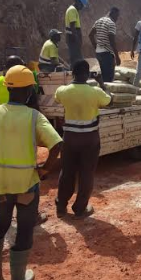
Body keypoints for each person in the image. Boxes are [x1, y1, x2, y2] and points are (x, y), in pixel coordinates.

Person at [0, 65, 62, 280]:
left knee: (0, 224)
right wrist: (45, 169)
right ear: (29, 91)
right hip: (26, 184)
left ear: (8, 88)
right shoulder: (34, 117)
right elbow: (57, 144)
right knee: (24, 229)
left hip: (2, 183)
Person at [55, 60, 112, 219]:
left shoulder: (63, 91)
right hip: (90, 139)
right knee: (87, 173)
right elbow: (109, 100)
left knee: (67, 172)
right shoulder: (95, 92)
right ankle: (80, 208)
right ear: (87, 74)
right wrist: (101, 83)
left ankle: (60, 206)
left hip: (70, 138)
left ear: (73, 73)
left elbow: (58, 98)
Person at [89, 7, 121, 83]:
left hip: (99, 53)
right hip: (107, 54)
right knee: (109, 80)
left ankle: (102, 93)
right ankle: (107, 94)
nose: (117, 18)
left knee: (103, 77)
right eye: (117, 16)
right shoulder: (111, 23)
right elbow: (112, 41)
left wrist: (96, 47)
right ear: (113, 13)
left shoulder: (98, 21)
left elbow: (90, 35)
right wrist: (117, 56)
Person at [65, 0, 89, 68]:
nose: (82, 8)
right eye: (82, 5)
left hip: (72, 38)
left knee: (76, 59)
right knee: (77, 60)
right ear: (78, 2)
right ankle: (75, 75)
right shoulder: (72, 10)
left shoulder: (73, 10)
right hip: (73, 38)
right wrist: (77, 40)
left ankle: (75, 74)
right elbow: (73, 27)